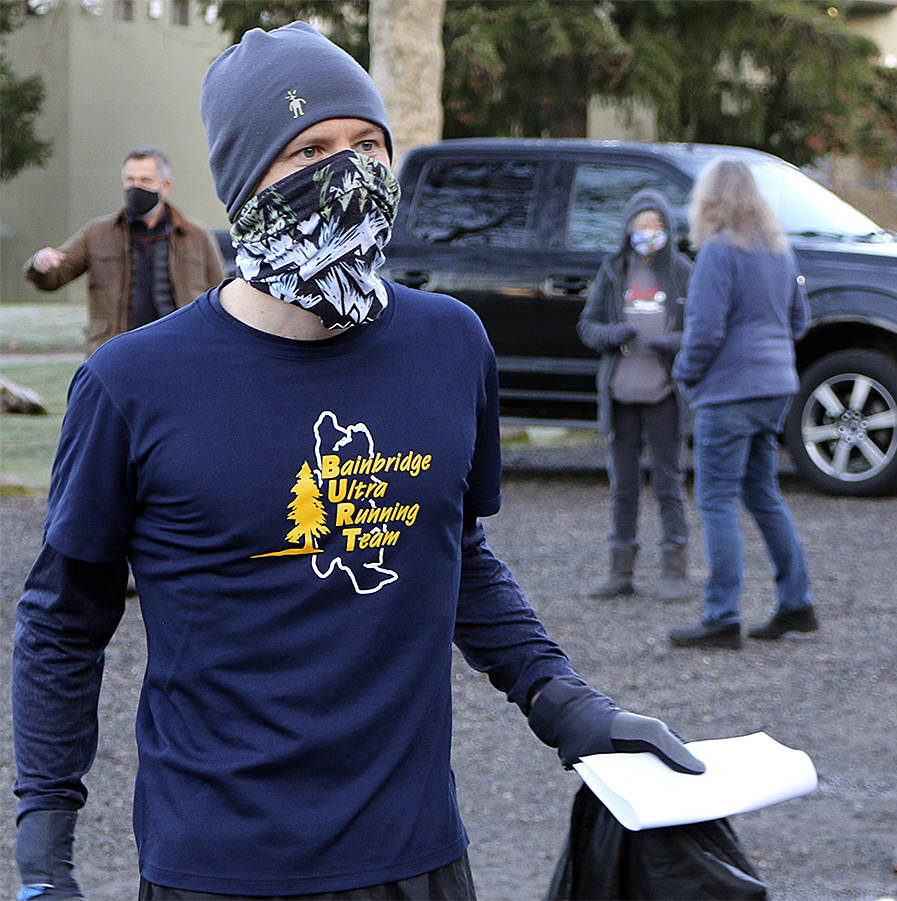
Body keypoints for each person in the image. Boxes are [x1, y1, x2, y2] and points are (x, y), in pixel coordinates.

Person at [12, 23, 705, 901]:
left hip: (416, 859)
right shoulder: (132, 384)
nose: (348, 172)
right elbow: (63, 625)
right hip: (219, 869)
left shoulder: (450, 343)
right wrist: (45, 858)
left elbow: (454, 554)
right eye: (308, 149)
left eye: (367, 145)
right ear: (243, 180)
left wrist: (573, 707)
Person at [668, 158, 819, 650]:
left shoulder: (717, 253)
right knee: (763, 495)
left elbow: (705, 330)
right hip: (776, 386)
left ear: (709, 198)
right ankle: (796, 603)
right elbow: (800, 320)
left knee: (715, 500)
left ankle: (721, 617)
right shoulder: (778, 250)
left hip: (730, 392)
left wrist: (684, 374)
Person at [577, 189, 692, 602]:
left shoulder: (682, 272)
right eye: (642, 226)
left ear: (668, 230)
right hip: (620, 397)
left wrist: (673, 342)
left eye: (656, 226)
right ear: (628, 230)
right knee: (623, 486)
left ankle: (675, 571)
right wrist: (613, 334)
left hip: (664, 396)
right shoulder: (613, 272)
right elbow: (587, 327)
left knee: (668, 482)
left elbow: (701, 329)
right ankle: (620, 572)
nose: (649, 233)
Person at [23, 146, 224, 355]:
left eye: (145, 181)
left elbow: (218, 296)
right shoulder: (98, 232)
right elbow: (54, 277)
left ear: (165, 185)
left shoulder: (196, 235)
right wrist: (40, 262)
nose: (136, 187)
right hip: (116, 351)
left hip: (179, 349)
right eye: (130, 180)